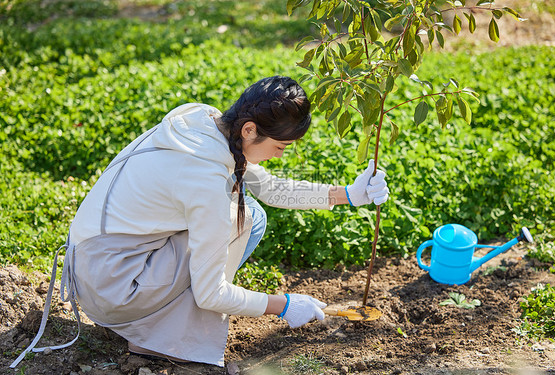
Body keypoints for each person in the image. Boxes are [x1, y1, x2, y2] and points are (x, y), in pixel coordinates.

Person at [11, 76, 389, 368]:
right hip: (113, 287)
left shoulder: (204, 126)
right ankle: (162, 340)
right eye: (279, 147)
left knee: (251, 213)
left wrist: (349, 195)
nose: (278, 157)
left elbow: (269, 189)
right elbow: (211, 294)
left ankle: (164, 321)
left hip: (95, 267)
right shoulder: (205, 179)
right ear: (250, 131)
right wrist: (284, 304)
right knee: (239, 217)